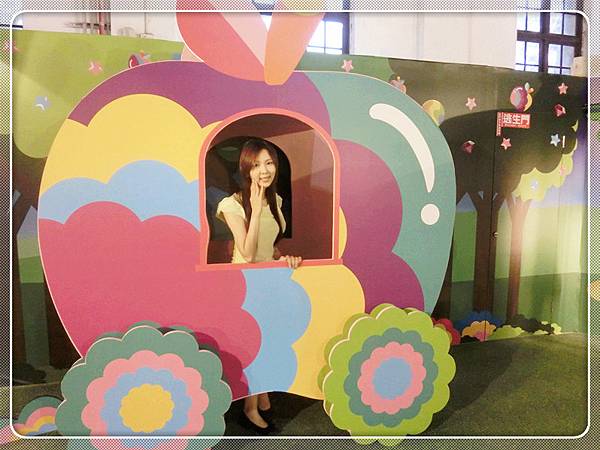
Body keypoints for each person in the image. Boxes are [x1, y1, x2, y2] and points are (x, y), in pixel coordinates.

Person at [215, 138, 302, 434]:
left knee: (269, 341)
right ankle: (249, 409)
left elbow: (269, 247)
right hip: (245, 283)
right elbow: (249, 254)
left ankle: (261, 394)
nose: (264, 170)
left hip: (269, 281)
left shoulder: (276, 201)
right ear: (246, 169)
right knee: (254, 345)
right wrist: (253, 205)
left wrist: (283, 257)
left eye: (269, 163)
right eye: (256, 165)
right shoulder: (231, 204)